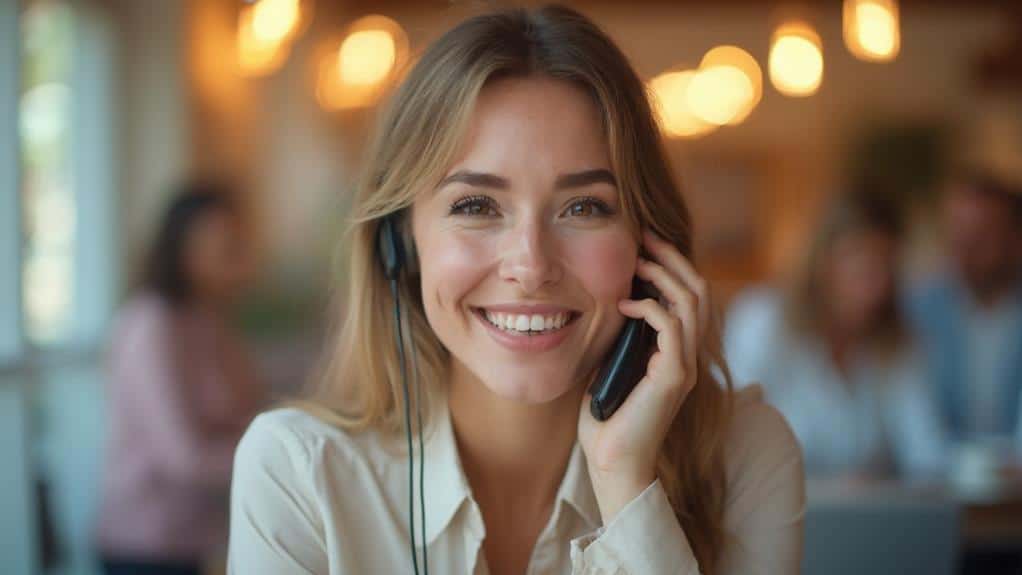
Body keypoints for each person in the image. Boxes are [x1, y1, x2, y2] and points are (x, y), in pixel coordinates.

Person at [228, 5, 804, 574]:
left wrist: (626, 484)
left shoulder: (744, 458)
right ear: (399, 242)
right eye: (476, 206)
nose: (530, 267)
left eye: (584, 207)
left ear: (650, 247)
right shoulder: (299, 472)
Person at [96, 182, 264, 575]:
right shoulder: (150, 324)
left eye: (237, 242)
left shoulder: (209, 318)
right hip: (146, 544)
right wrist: (278, 455)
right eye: (223, 244)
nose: (236, 256)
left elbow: (249, 409)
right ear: (182, 246)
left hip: (200, 538)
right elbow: (182, 458)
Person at [726, 192, 946, 480]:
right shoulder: (763, 320)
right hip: (771, 515)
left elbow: (926, 452)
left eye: (886, 266)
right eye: (862, 264)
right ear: (823, 260)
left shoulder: (897, 340)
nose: (877, 285)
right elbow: (730, 440)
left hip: (871, 519)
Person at [907, 170, 1022, 450]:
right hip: (941, 481)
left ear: (1016, 238)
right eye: (957, 232)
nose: (965, 248)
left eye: (981, 234)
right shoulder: (917, 311)